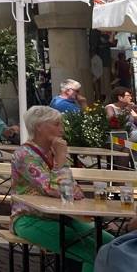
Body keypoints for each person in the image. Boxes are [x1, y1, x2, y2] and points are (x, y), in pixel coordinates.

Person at [11, 106, 112, 272]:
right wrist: (61, 158)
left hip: (64, 217)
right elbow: (52, 189)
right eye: (57, 124)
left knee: (111, 244)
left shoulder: (54, 151)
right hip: (30, 218)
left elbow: (74, 190)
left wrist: (69, 185)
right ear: (39, 126)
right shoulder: (24, 154)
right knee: (94, 253)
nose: (62, 129)